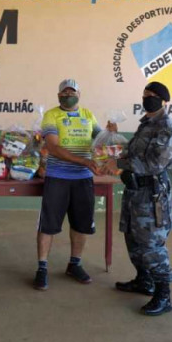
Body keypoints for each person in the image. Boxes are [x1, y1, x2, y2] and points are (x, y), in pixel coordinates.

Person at [104, 81, 172, 316]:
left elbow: (154, 163)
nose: (147, 98)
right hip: (135, 192)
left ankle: (163, 294)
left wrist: (118, 163)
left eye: (153, 95)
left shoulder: (166, 127)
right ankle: (143, 281)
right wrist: (113, 138)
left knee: (151, 244)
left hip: (152, 194)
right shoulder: (146, 123)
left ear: (164, 100)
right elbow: (133, 151)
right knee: (133, 239)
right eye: (145, 94)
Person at [34, 79, 101, 290]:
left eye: (71, 92)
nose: (67, 95)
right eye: (63, 93)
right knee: (49, 224)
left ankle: (75, 264)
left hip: (83, 178)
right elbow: (52, 147)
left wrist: (110, 132)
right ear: (58, 95)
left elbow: (101, 140)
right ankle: (42, 267)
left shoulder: (88, 115)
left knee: (81, 224)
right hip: (58, 176)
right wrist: (83, 160)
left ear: (79, 94)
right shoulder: (52, 115)